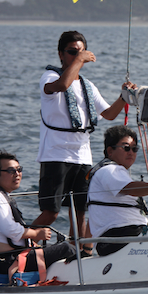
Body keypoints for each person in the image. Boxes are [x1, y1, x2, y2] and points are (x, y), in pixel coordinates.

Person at [33, 30, 136, 253]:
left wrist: (124, 96)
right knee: (51, 213)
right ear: (61, 54)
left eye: (80, 52)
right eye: (72, 52)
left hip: (82, 155)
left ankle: (79, 253)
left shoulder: (88, 86)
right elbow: (62, 86)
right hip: (55, 154)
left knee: (80, 210)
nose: (76, 56)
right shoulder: (50, 77)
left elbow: (109, 114)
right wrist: (79, 60)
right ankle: (20, 246)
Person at [0, 150, 73, 279]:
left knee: (59, 248)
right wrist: (36, 234)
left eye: (19, 170)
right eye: (11, 171)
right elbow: (10, 229)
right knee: (68, 249)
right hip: (9, 260)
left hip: (15, 256)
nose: (17, 174)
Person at [87, 125, 148, 257]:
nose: (131, 152)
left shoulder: (106, 173)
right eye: (126, 148)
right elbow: (131, 188)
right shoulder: (110, 170)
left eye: (134, 149)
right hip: (120, 236)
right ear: (110, 151)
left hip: (116, 238)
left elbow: (94, 214)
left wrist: (86, 248)